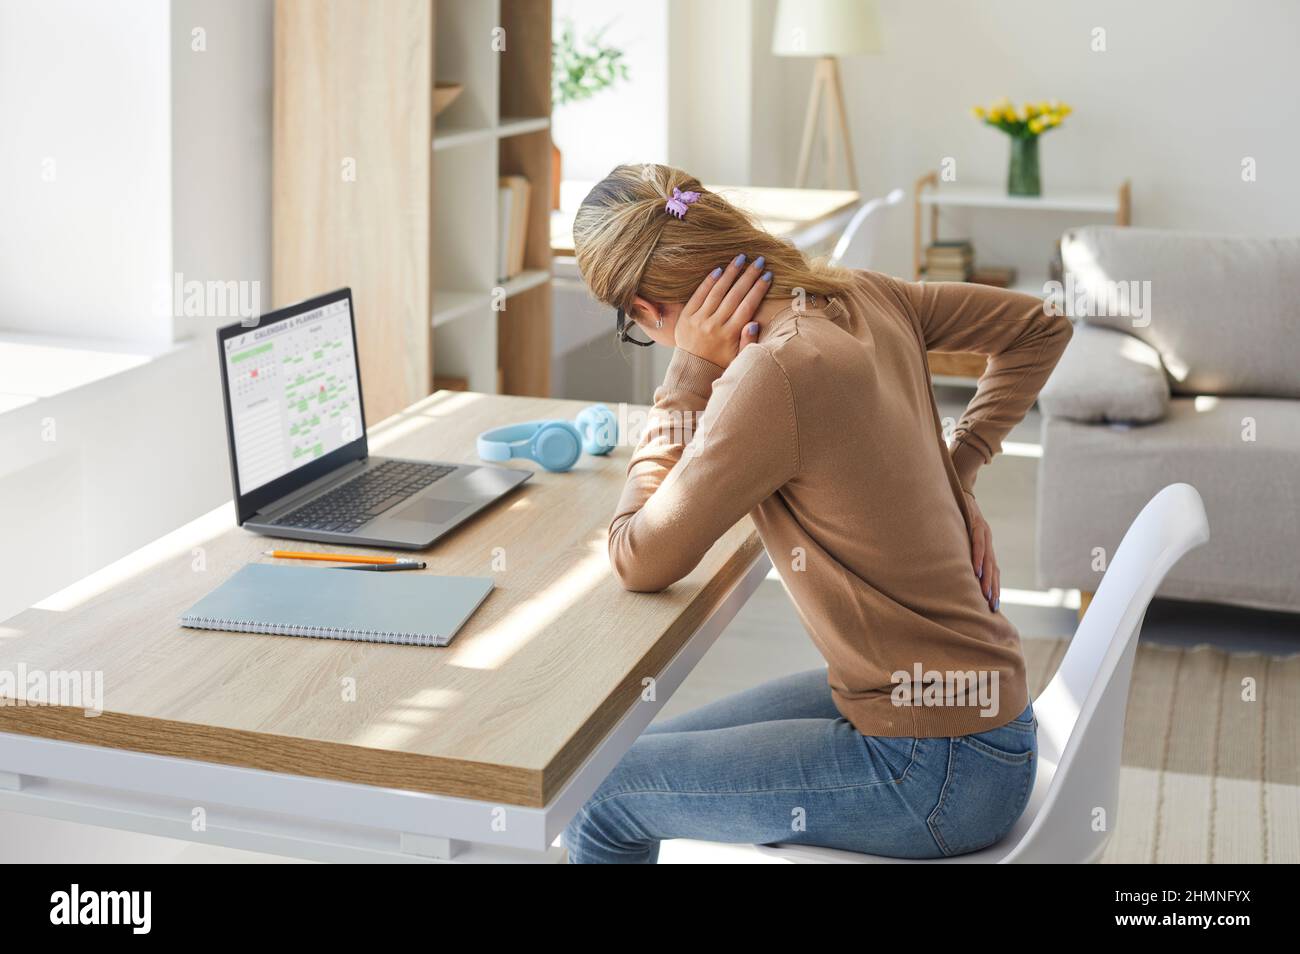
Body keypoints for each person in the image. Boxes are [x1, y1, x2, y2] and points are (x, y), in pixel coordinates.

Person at [562, 164, 1072, 863]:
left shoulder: (771, 373)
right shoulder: (862, 293)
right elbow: (1042, 325)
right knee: (635, 760)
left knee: (600, 796)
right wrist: (960, 470)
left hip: (937, 770)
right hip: (971, 717)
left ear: (647, 308)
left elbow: (635, 558)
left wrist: (685, 377)